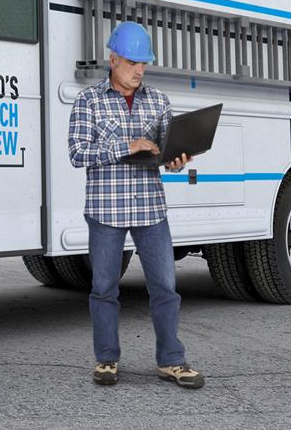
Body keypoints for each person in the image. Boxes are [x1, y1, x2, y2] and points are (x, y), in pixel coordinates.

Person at [67, 20, 205, 389]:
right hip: (106, 211)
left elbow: (164, 154)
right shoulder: (88, 102)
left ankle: (171, 361)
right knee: (104, 288)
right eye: (132, 63)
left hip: (150, 209)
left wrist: (176, 161)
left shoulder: (159, 102)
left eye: (143, 64)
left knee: (165, 287)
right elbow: (78, 153)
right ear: (113, 60)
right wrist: (126, 147)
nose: (139, 71)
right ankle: (107, 360)